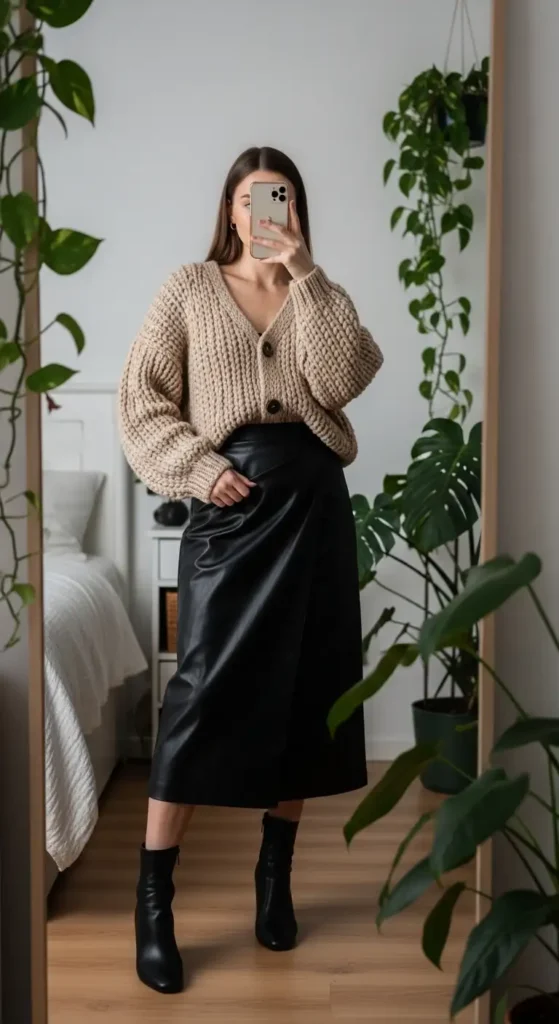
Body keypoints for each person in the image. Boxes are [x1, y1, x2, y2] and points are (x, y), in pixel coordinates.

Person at [118, 145, 384, 995]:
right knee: (201, 693)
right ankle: (153, 900)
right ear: (229, 209)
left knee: (306, 693)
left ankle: (275, 881)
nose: (262, 208)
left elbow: (345, 377)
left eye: (278, 196)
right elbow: (141, 399)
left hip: (313, 506)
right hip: (232, 510)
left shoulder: (314, 292)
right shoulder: (187, 290)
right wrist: (198, 471)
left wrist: (304, 273)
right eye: (248, 197)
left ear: (293, 207)